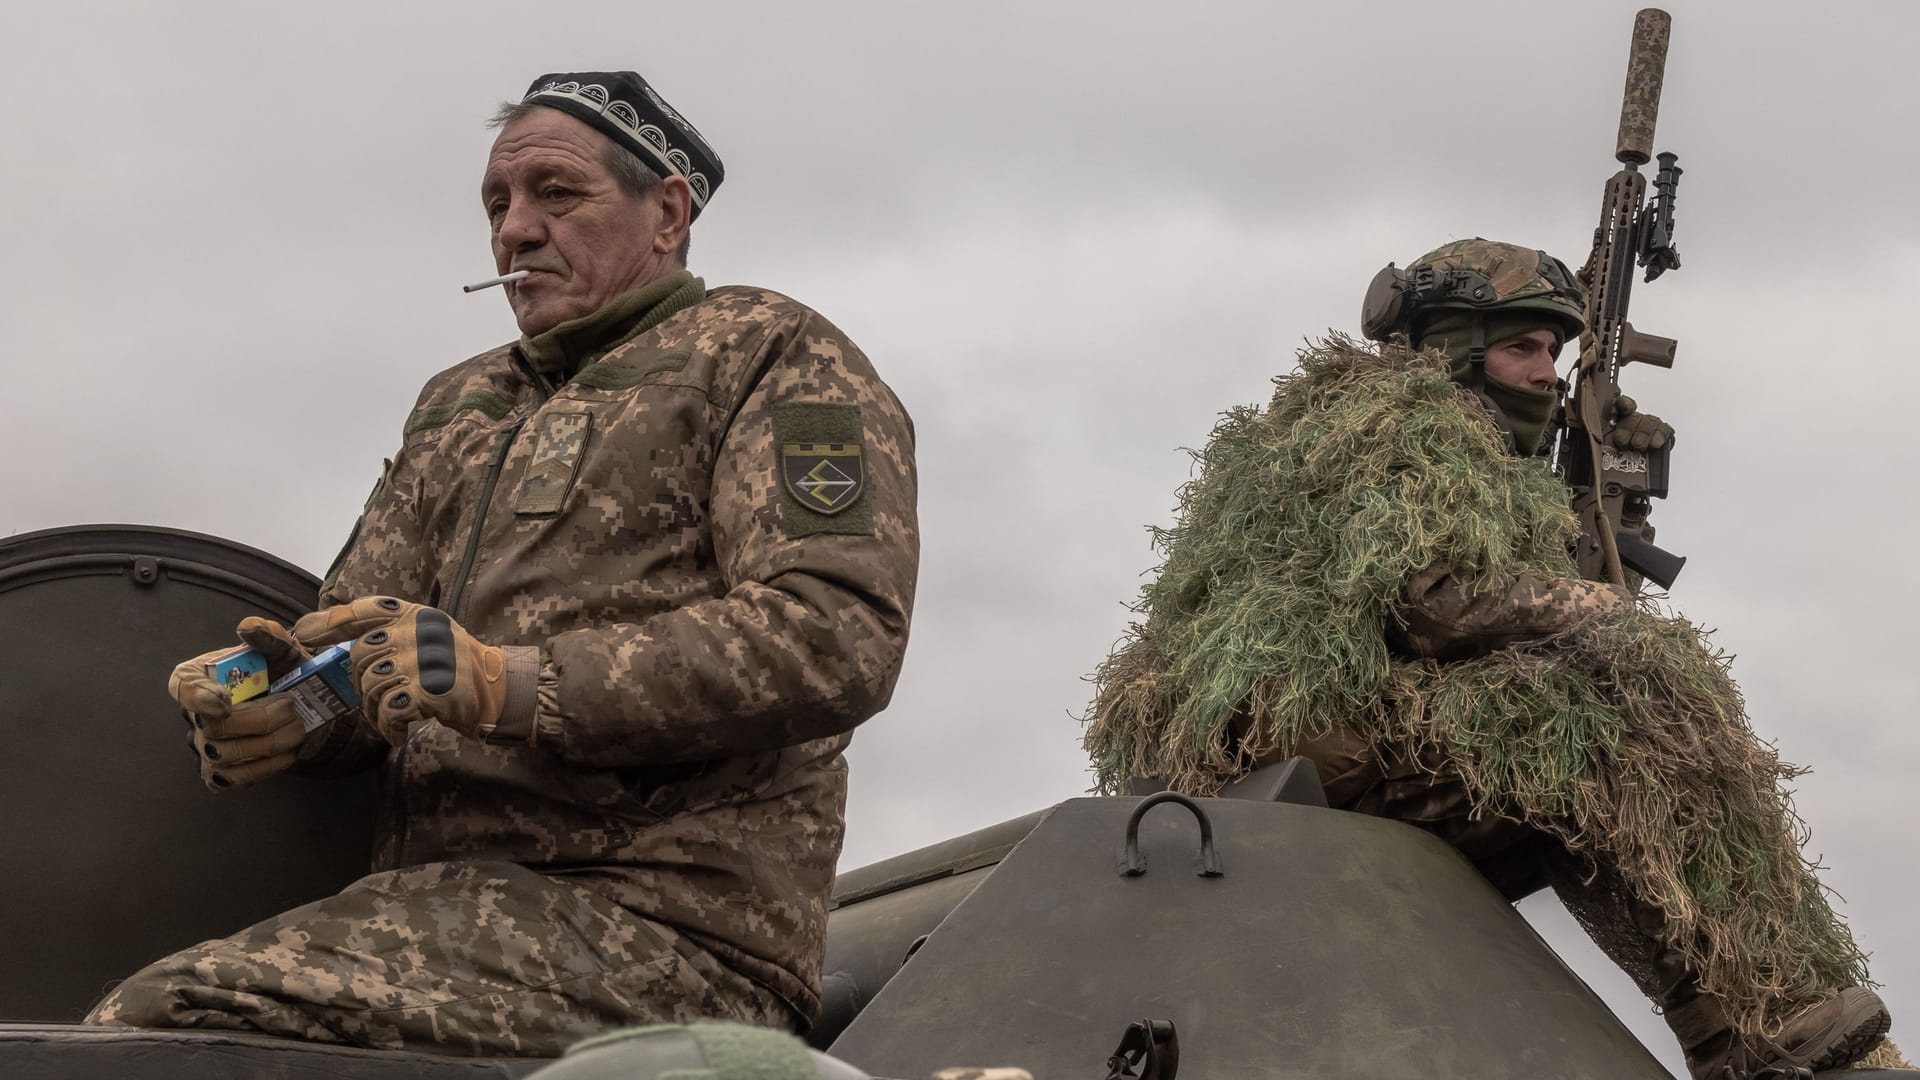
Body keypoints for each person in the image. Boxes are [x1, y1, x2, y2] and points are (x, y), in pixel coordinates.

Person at [87, 70, 919, 1057]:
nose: (515, 228)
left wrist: (512, 683)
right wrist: (282, 708)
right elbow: (362, 652)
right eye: (498, 203)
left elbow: (833, 635)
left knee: (164, 1022)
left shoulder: (767, 354)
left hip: (663, 928)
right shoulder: (458, 406)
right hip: (434, 909)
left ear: (666, 211)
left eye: (555, 194)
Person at [1084, 239, 1897, 1079]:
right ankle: (1759, 1022)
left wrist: (1605, 507)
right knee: (1618, 739)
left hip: (1350, 758)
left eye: (1554, 351)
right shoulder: (1393, 428)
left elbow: (1506, 612)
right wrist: (1602, 609)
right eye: (1521, 347)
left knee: (1596, 798)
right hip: (1301, 763)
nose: (1547, 373)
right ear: (1452, 350)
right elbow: (1430, 603)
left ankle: (1739, 1042)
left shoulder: (1479, 469)